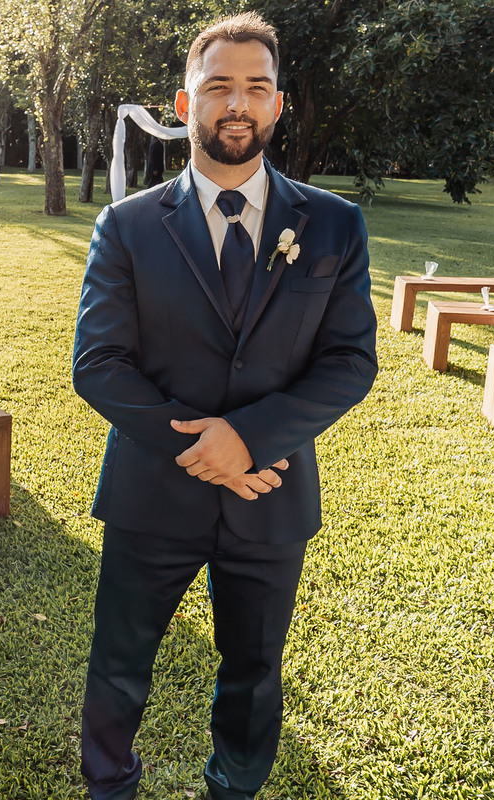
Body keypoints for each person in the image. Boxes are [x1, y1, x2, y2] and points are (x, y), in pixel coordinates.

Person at [72, 13, 378, 800]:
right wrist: (206, 449)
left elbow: (350, 361)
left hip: (270, 494)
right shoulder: (128, 225)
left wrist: (247, 439)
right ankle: (110, 787)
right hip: (152, 495)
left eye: (256, 87)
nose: (236, 103)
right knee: (119, 664)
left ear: (278, 105)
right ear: (185, 103)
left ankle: (233, 790)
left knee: (254, 673)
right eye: (218, 87)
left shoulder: (336, 225)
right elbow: (99, 365)